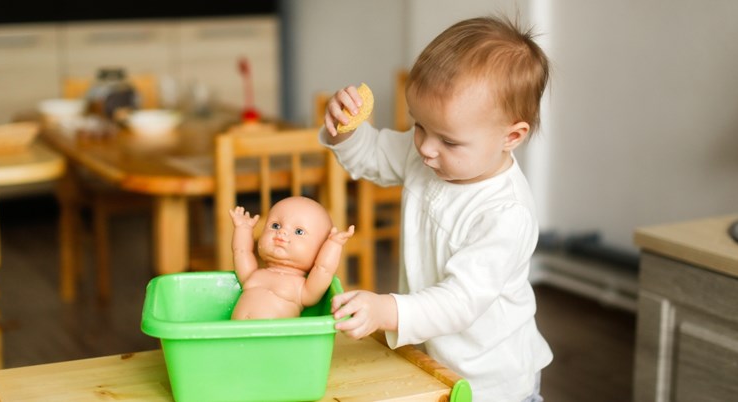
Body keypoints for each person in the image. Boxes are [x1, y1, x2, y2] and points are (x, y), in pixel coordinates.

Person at [320, 16, 553, 402]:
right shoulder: (429, 156)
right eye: (419, 126)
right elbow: (373, 155)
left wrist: (385, 310)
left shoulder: (505, 213)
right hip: (433, 360)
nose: (426, 147)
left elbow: (459, 301)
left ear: (511, 136)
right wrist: (343, 130)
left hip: (493, 381)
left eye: (448, 140)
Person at [229, 196, 355, 320]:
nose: (282, 232)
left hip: (276, 340)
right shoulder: (252, 274)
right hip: (234, 338)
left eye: (299, 232)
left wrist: (334, 244)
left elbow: (323, 269)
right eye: (275, 226)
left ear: (320, 250)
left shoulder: (303, 290)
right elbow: (241, 251)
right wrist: (243, 228)